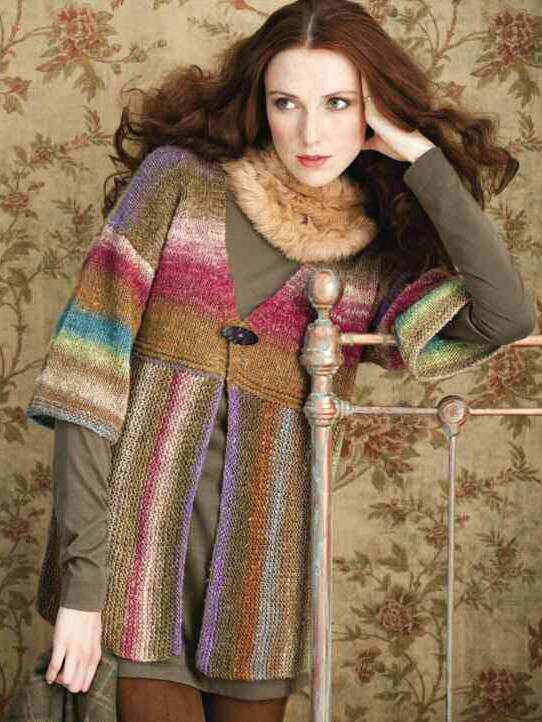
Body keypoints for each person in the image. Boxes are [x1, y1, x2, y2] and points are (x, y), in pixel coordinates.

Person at [24, 0, 536, 720]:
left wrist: (421, 158)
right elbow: (86, 380)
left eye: (339, 103)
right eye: (286, 102)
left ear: (375, 112)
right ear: (260, 105)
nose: (311, 132)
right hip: (130, 573)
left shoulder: (371, 259)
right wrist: (84, 588)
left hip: (261, 592)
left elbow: (506, 316)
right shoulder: (178, 183)